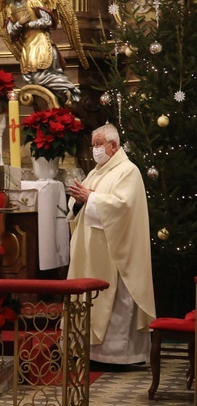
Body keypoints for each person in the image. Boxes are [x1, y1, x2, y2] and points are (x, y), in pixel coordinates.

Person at [67, 123, 155, 365]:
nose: (94, 150)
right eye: (93, 145)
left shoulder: (128, 171)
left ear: (113, 145)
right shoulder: (96, 172)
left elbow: (123, 207)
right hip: (90, 249)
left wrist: (91, 198)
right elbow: (80, 206)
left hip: (115, 251)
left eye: (98, 145)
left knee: (115, 300)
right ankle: (89, 353)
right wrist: (78, 201)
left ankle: (119, 357)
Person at [0, 0, 82, 103]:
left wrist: (29, 24)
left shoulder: (32, 1)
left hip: (41, 43)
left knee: (42, 76)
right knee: (30, 78)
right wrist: (19, 24)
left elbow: (48, 21)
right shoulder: (11, 8)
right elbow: (11, 33)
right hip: (28, 46)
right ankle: (47, 103)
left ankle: (68, 92)